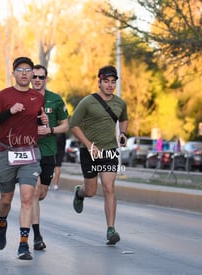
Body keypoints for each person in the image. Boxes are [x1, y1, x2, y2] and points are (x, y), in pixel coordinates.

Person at [0, 56, 48, 260]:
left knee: (28, 197)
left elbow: (34, 121)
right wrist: (8, 112)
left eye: (28, 70)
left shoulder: (37, 97)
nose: (24, 73)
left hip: (29, 152)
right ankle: (2, 223)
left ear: (32, 74)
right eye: (20, 69)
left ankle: (23, 245)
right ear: (14, 73)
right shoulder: (3, 96)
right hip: (6, 152)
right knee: (6, 199)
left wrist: (43, 120)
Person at [70, 65, 128, 245]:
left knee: (109, 187)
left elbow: (124, 119)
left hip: (109, 151)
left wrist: (123, 134)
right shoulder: (88, 102)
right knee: (91, 191)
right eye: (106, 81)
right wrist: (88, 145)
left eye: (113, 82)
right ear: (99, 82)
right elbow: (74, 125)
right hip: (89, 152)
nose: (110, 85)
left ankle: (111, 229)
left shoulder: (120, 103)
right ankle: (80, 193)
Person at [31, 64, 69, 251]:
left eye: (41, 77)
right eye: (35, 77)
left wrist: (50, 130)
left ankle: (30, 208)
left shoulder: (55, 100)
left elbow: (66, 126)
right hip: (30, 151)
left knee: (41, 194)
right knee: (35, 192)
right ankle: (37, 236)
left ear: (46, 78)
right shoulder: (24, 98)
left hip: (48, 152)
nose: (37, 80)